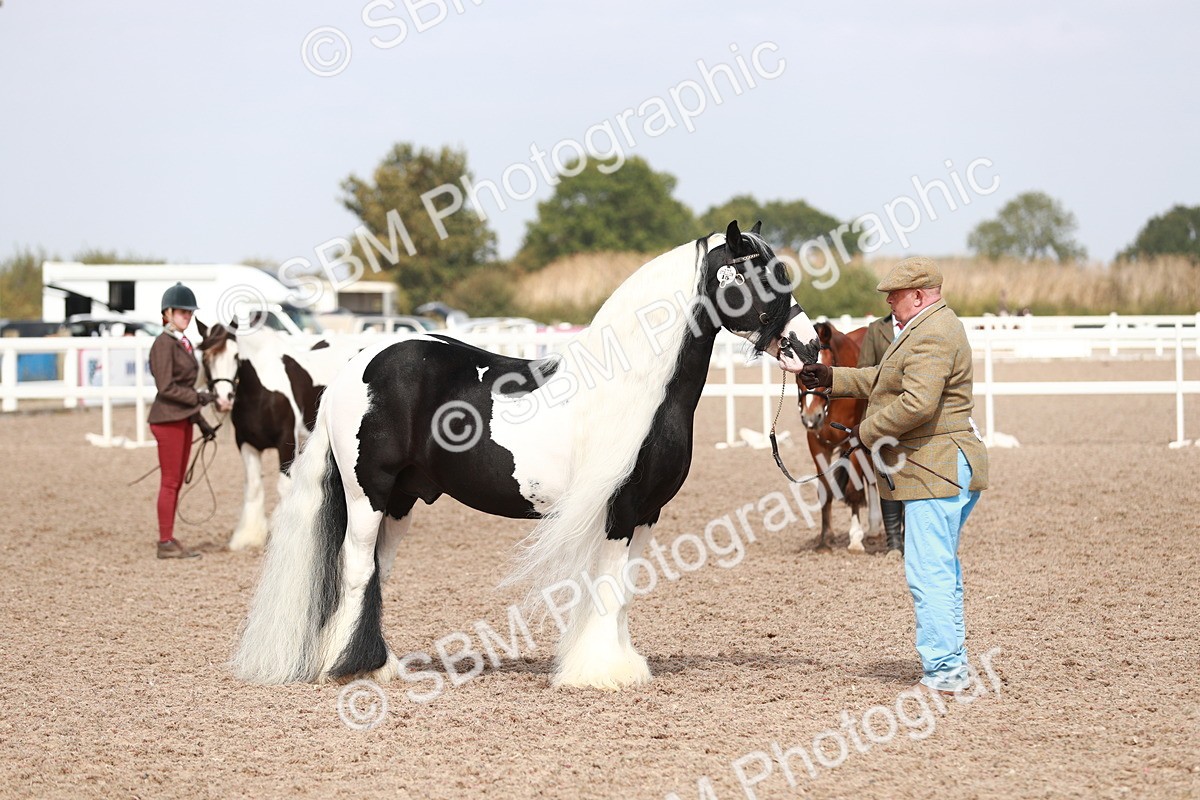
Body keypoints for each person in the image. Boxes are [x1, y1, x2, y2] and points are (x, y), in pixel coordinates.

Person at [793, 257, 988, 694]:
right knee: (940, 568)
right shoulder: (925, 329)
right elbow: (881, 377)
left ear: (919, 295)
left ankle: (946, 672)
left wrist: (865, 431)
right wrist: (830, 376)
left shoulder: (934, 334)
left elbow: (917, 403)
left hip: (935, 467)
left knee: (928, 571)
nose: (888, 301)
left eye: (894, 295)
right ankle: (950, 662)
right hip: (936, 466)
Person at [148, 283, 230, 559]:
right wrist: (201, 398)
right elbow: (166, 388)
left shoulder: (181, 344)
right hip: (167, 420)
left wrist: (202, 423)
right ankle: (165, 541)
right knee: (170, 482)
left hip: (182, 419)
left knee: (175, 481)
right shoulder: (162, 344)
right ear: (167, 313)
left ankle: (168, 538)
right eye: (182, 312)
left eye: (189, 313)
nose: (187, 317)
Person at [856, 310, 906, 555]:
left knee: (914, 477)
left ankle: (913, 537)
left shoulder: (922, 327)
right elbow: (865, 369)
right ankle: (894, 542)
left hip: (915, 412)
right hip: (884, 416)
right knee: (887, 477)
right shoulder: (876, 329)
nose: (890, 300)